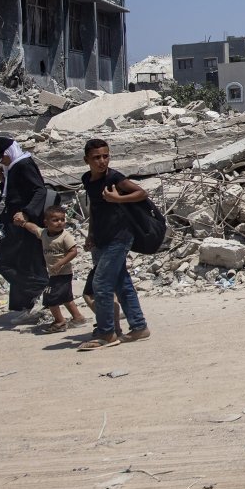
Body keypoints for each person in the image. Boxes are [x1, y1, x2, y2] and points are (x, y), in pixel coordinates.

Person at [79, 138, 152, 350]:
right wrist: (90, 233)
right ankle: (139, 327)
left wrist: (118, 199)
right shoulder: (88, 179)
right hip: (101, 237)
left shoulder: (114, 178)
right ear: (86, 160)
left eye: (105, 156)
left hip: (119, 237)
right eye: (96, 158)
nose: (102, 161)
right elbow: (94, 207)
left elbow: (141, 192)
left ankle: (106, 333)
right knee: (121, 282)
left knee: (100, 284)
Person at [0, 135, 51, 321]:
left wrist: (27, 212)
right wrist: (4, 179)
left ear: (9, 152)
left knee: (5, 263)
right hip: (15, 222)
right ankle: (29, 304)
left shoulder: (23, 164)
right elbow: (16, 191)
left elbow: (40, 190)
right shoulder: (13, 166)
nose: (1, 162)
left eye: (2, 157)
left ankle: (42, 289)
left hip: (25, 222)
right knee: (26, 262)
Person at [12, 205, 87, 332]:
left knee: (49, 297)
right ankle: (78, 318)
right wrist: (23, 223)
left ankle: (60, 322)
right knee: (66, 298)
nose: (60, 223)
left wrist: (60, 264)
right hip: (54, 273)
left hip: (63, 273)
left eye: (62, 220)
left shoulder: (65, 236)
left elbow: (73, 251)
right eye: (55, 220)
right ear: (46, 222)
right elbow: (34, 229)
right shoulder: (45, 234)